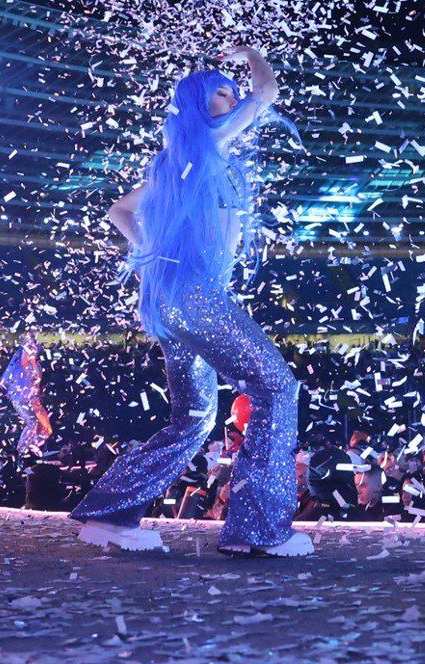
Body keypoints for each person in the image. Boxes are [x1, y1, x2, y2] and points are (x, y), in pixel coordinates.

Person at [70, 48, 312, 558]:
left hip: (174, 303)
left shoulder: (180, 163)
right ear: (199, 107)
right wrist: (253, 54)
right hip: (198, 298)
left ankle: (112, 515)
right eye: (222, 91)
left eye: (232, 88)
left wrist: (153, 256)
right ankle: (259, 528)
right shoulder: (207, 143)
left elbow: (119, 211)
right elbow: (266, 93)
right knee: (276, 388)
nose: (236, 96)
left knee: (196, 417)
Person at [0, 332, 53, 456]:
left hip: (33, 400)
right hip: (21, 400)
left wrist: (33, 362)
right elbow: (23, 362)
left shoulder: (36, 365)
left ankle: (32, 447)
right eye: (28, 349)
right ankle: (21, 451)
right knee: (32, 421)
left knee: (46, 428)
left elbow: (37, 381)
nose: (31, 352)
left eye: (33, 348)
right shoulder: (18, 365)